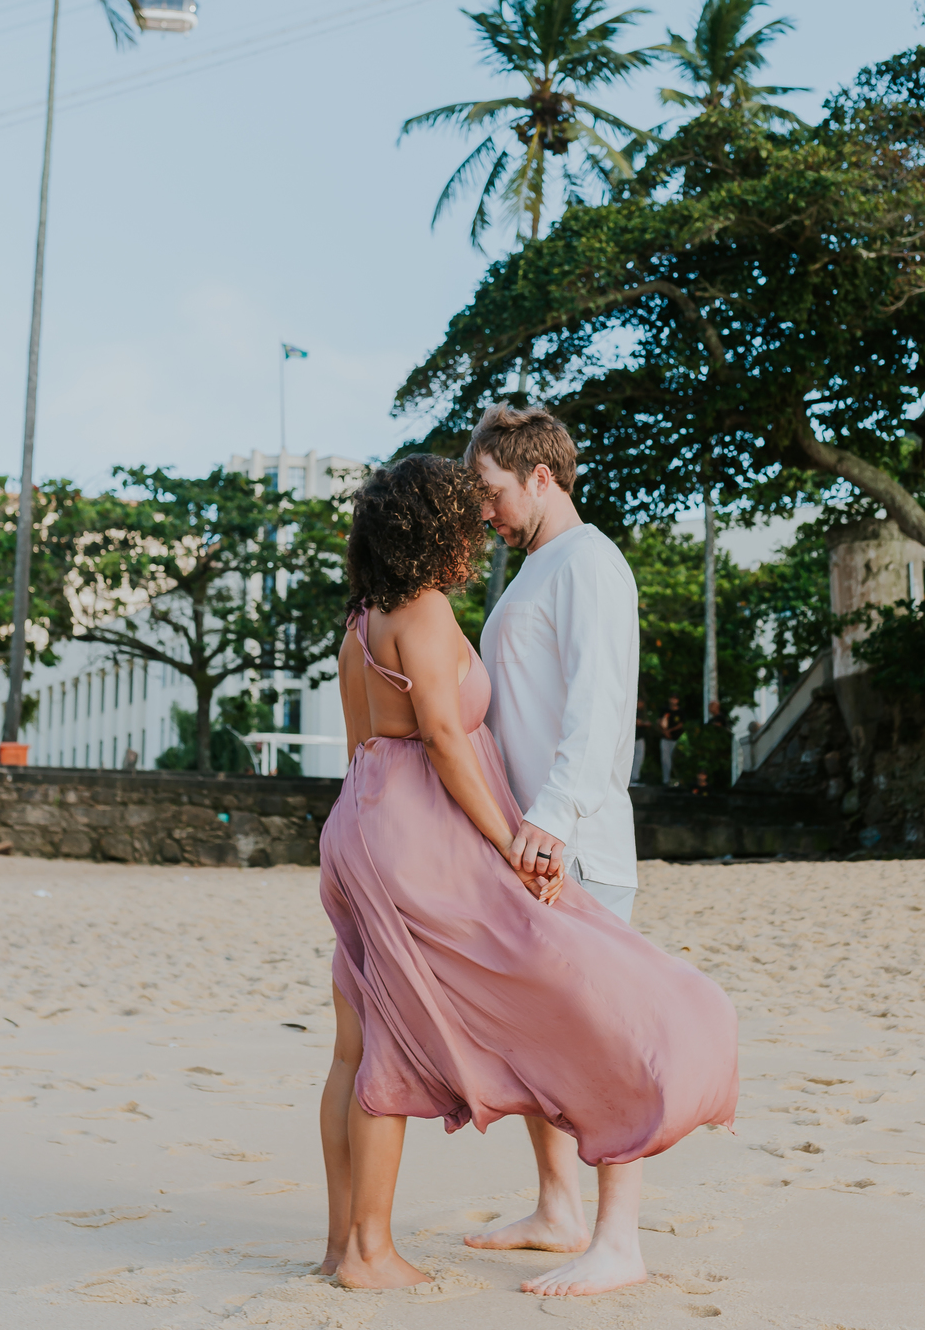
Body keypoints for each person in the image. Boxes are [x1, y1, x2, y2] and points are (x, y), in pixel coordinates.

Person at [316, 455, 738, 1299]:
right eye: (460, 516)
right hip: (413, 834)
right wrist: (512, 838)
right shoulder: (425, 612)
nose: (475, 528)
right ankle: (369, 1253)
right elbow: (440, 736)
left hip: (355, 824)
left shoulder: (360, 622)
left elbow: (377, 739)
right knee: (399, 1046)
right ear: (430, 527)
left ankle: (341, 1246)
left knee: (356, 1041)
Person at [463, 404, 641, 1268]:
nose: (482, 509)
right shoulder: (534, 568)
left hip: (576, 843)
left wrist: (552, 816)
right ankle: (559, 1207)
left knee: (601, 1041)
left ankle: (620, 1238)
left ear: (541, 476)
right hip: (530, 843)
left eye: (491, 490)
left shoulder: (588, 562)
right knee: (536, 1035)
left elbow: (597, 705)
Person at [659, 694, 685, 786]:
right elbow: (660, 721)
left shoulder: (680, 711)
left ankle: (677, 780)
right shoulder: (664, 710)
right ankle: (666, 780)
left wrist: (669, 731)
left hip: (676, 739)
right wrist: (665, 731)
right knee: (665, 759)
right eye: (672, 698)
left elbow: (681, 724)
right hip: (665, 739)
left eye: (675, 699)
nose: (673, 700)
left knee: (676, 759)